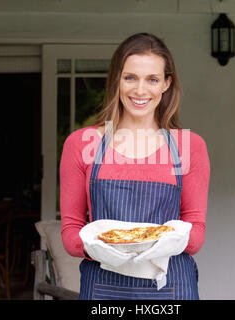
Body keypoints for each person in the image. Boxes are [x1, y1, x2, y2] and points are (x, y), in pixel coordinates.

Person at [59, 33, 210, 300]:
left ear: (166, 84)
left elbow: (196, 232)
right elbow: (70, 233)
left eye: (152, 79)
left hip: (171, 288)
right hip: (103, 288)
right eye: (130, 77)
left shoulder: (189, 146)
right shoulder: (81, 144)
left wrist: (157, 244)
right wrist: (101, 247)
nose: (140, 90)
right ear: (116, 80)